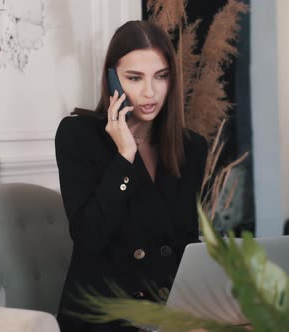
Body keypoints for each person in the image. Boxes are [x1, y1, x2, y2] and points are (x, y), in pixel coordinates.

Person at [54, 20, 208, 332]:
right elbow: (88, 236)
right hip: (101, 314)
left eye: (161, 76)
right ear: (112, 79)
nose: (150, 92)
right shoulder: (78, 134)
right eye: (134, 78)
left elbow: (184, 242)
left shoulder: (191, 148)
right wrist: (125, 154)